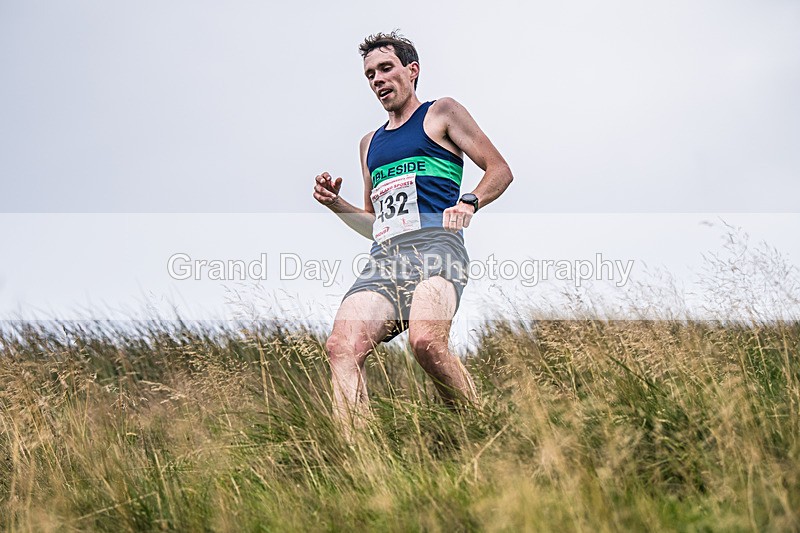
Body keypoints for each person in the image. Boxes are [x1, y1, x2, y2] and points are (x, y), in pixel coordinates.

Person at [312, 31, 513, 427]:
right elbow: (376, 225)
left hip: (438, 250)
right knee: (341, 347)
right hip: (386, 261)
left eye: (386, 68)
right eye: (370, 75)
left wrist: (470, 200)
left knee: (426, 343)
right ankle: (361, 464)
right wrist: (337, 204)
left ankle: (478, 429)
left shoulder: (441, 113)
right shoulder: (369, 144)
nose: (378, 80)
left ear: (412, 70)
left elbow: (500, 170)